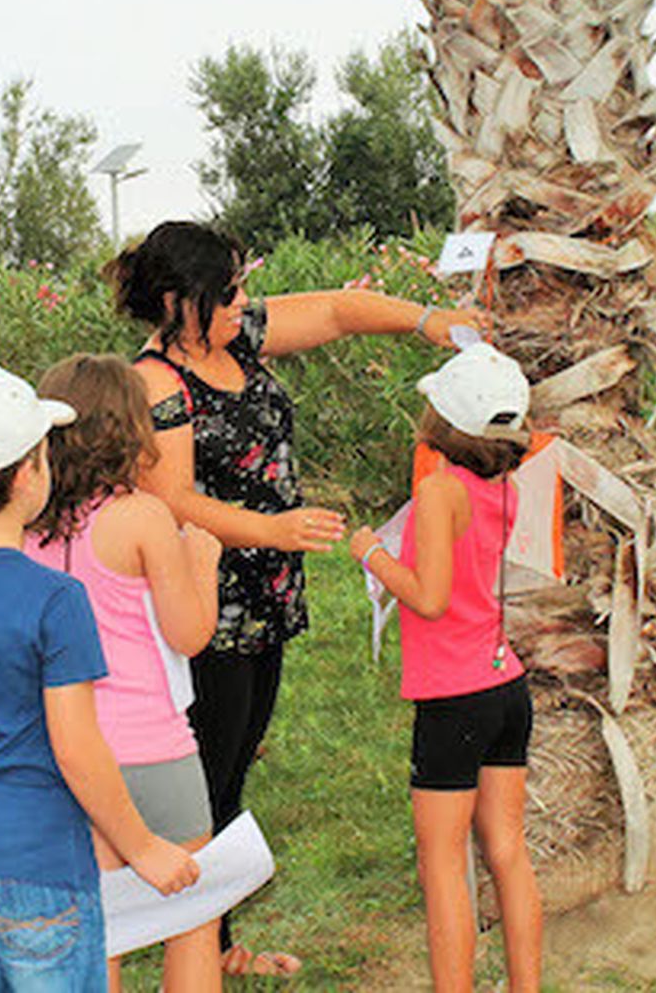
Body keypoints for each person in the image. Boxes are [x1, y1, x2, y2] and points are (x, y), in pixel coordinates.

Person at [106, 219, 484, 976]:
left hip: (265, 595)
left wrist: (428, 321)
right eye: (226, 292)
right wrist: (272, 530)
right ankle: (198, 947)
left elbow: (340, 310)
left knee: (234, 768)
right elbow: (171, 498)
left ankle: (213, 943)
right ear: (178, 303)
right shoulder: (157, 383)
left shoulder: (235, 335)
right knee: (209, 780)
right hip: (209, 606)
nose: (241, 302)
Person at [0, 359, 201, 992]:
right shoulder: (55, 600)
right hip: (37, 861)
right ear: (30, 473)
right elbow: (77, 746)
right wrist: (142, 846)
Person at [22, 353, 224, 992]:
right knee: (192, 918)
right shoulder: (142, 517)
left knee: (100, 929)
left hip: (67, 749)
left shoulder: (24, 525)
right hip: (153, 749)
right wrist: (204, 564)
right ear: (130, 430)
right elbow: (189, 634)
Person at [349, 343, 543, 992]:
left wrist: (372, 553)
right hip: (505, 684)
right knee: (508, 850)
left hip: (455, 697)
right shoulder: (505, 484)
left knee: (442, 864)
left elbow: (429, 597)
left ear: (444, 418)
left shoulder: (439, 491)